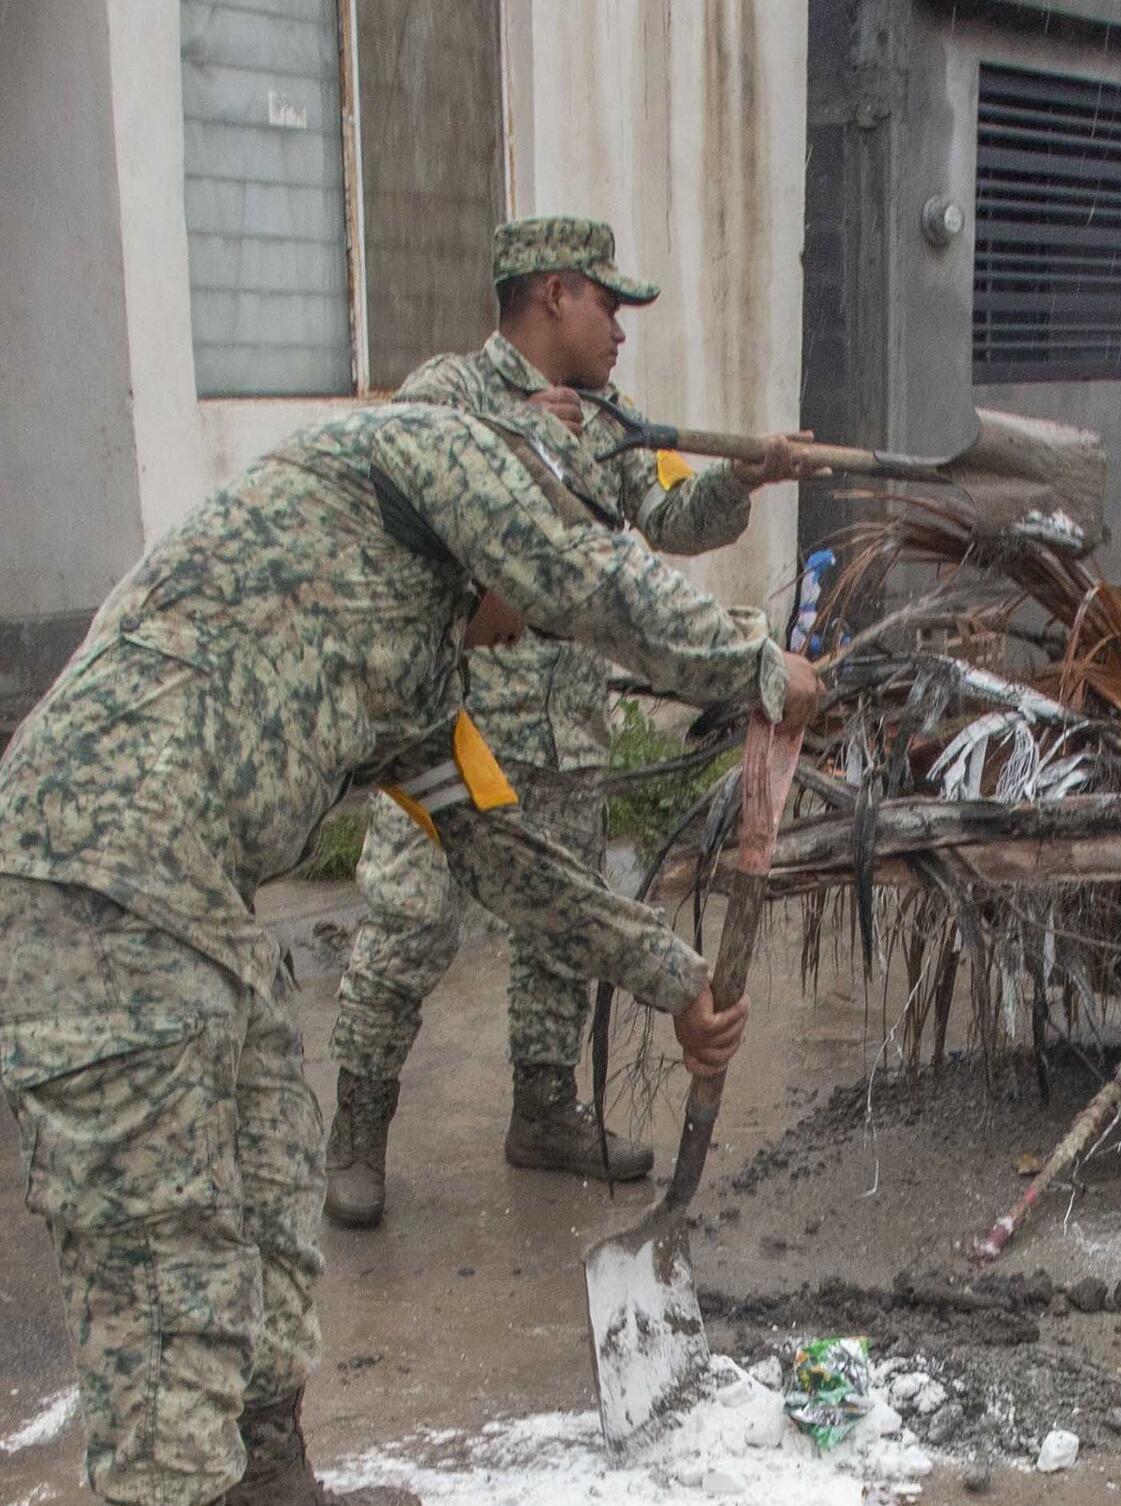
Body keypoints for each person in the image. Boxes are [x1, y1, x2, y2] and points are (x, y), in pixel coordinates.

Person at [0, 396, 819, 1506]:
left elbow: (504, 851)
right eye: (515, 608)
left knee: (269, 1181)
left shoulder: (427, 686)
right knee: (167, 1250)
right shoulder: (400, 456)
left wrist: (670, 974)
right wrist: (758, 670)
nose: (518, 637)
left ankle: (267, 1501)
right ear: (502, 540)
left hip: (194, 903)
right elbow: (591, 580)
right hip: (81, 885)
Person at [327, 216, 820, 1228]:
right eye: (608, 302)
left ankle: (543, 1112)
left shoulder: (613, 419)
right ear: (553, 291)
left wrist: (745, 476)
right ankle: (356, 1132)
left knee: (559, 933)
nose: (621, 327)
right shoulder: (447, 397)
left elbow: (673, 520)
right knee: (407, 924)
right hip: (452, 724)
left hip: (565, 729)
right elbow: (403, 522)